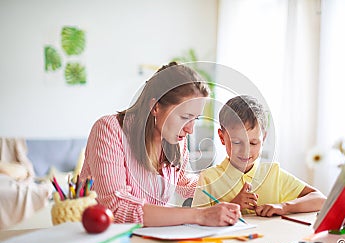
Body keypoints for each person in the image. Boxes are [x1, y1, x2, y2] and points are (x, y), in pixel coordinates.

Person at [79, 62, 241, 227]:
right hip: (100, 242)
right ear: (155, 107)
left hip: (147, 240)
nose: (190, 129)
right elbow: (115, 207)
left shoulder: (175, 140)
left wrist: (229, 192)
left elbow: (184, 182)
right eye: (185, 117)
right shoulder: (109, 129)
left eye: (195, 118)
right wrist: (199, 216)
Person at [192, 95, 326, 217]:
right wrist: (233, 205)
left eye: (253, 143)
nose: (246, 151)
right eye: (237, 142)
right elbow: (195, 221)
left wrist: (283, 207)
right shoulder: (209, 178)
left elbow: (320, 199)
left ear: (264, 138)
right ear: (222, 137)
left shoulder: (273, 174)